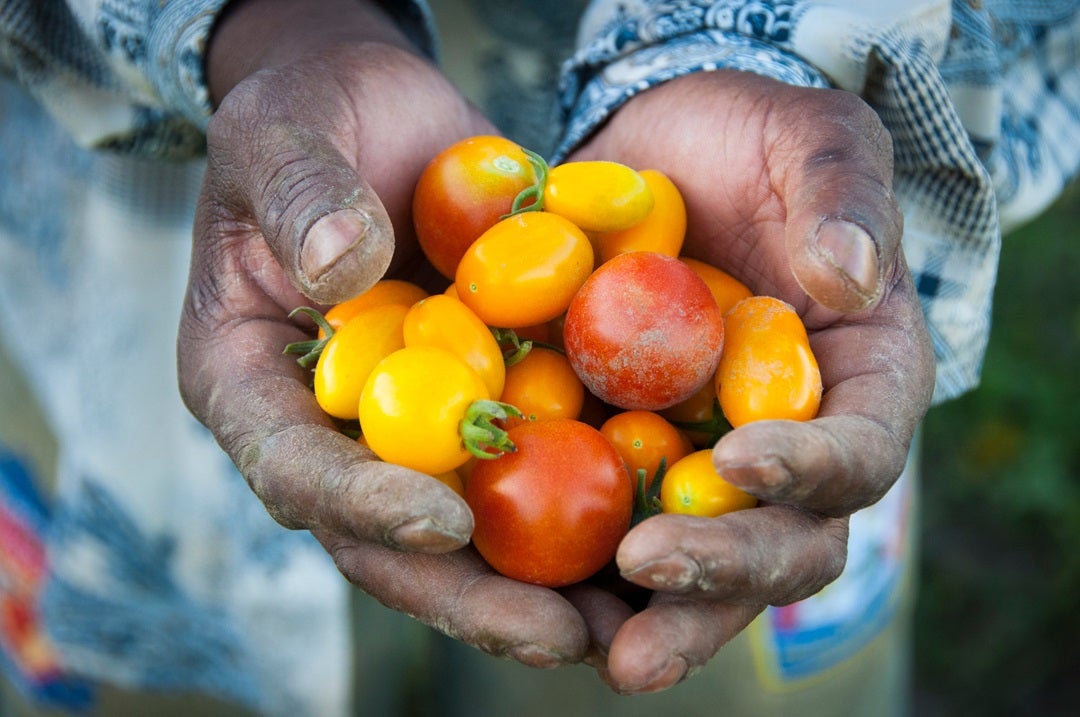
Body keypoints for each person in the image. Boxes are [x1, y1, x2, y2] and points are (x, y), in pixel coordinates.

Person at [1, 0, 1076, 715]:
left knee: (709, 617)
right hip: (144, 230)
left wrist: (758, 45)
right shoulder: (491, 327)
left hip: (746, 206)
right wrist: (275, 19)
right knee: (170, 650)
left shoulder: (671, 327)